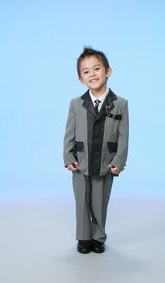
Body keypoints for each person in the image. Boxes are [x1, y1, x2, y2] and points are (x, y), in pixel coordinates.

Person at [63, 47, 129, 254]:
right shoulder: (76, 104)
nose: (92, 74)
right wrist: (68, 156)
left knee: (100, 202)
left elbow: (124, 136)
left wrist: (119, 161)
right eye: (86, 71)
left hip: (105, 163)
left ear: (108, 71)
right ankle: (83, 237)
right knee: (82, 202)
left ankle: (98, 237)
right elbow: (69, 133)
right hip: (80, 162)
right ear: (80, 79)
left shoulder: (120, 104)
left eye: (97, 68)